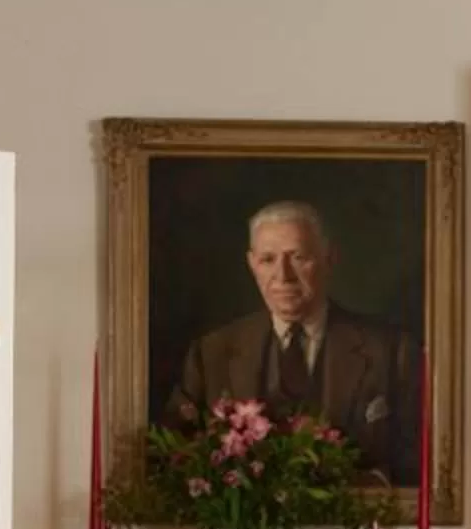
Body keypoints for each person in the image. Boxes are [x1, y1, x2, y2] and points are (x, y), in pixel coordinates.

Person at [171, 200, 422, 487]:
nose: (284, 276)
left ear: (330, 258)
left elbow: (416, 461)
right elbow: (180, 455)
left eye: (299, 257)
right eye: (268, 259)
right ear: (251, 264)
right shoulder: (210, 353)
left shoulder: (391, 352)